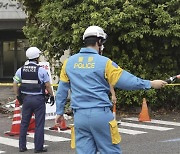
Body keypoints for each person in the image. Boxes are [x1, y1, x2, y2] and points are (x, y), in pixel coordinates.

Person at [55, 26, 167, 154]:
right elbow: (126, 81)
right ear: (99, 42)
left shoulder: (68, 63)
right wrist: (150, 83)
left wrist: (59, 112)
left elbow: (62, 90)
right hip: (100, 115)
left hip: (79, 117)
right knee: (110, 151)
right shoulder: (104, 62)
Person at [13, 47, 55, 153]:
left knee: (24, 123)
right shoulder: (41, 70)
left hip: (26, 99)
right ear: (37, 57)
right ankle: (38, 148)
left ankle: (22, 146)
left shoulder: (21, 70)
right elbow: (48, 86)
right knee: (39, 124)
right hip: (38, 100)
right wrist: (52, 95)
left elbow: (15, 84)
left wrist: (19, 96)